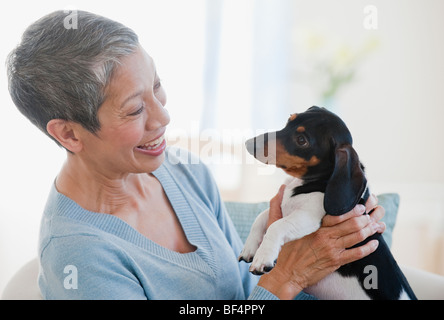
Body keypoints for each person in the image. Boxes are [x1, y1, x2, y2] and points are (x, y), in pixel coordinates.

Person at [7, 10, 385, 300]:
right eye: (135, 109)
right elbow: (273, 286)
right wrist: (287, 277)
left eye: (157, 86)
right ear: (69, 133)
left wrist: (332, 231)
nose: (163, 117)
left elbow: (241, 293)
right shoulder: (80, 255)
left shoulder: (183, 170)